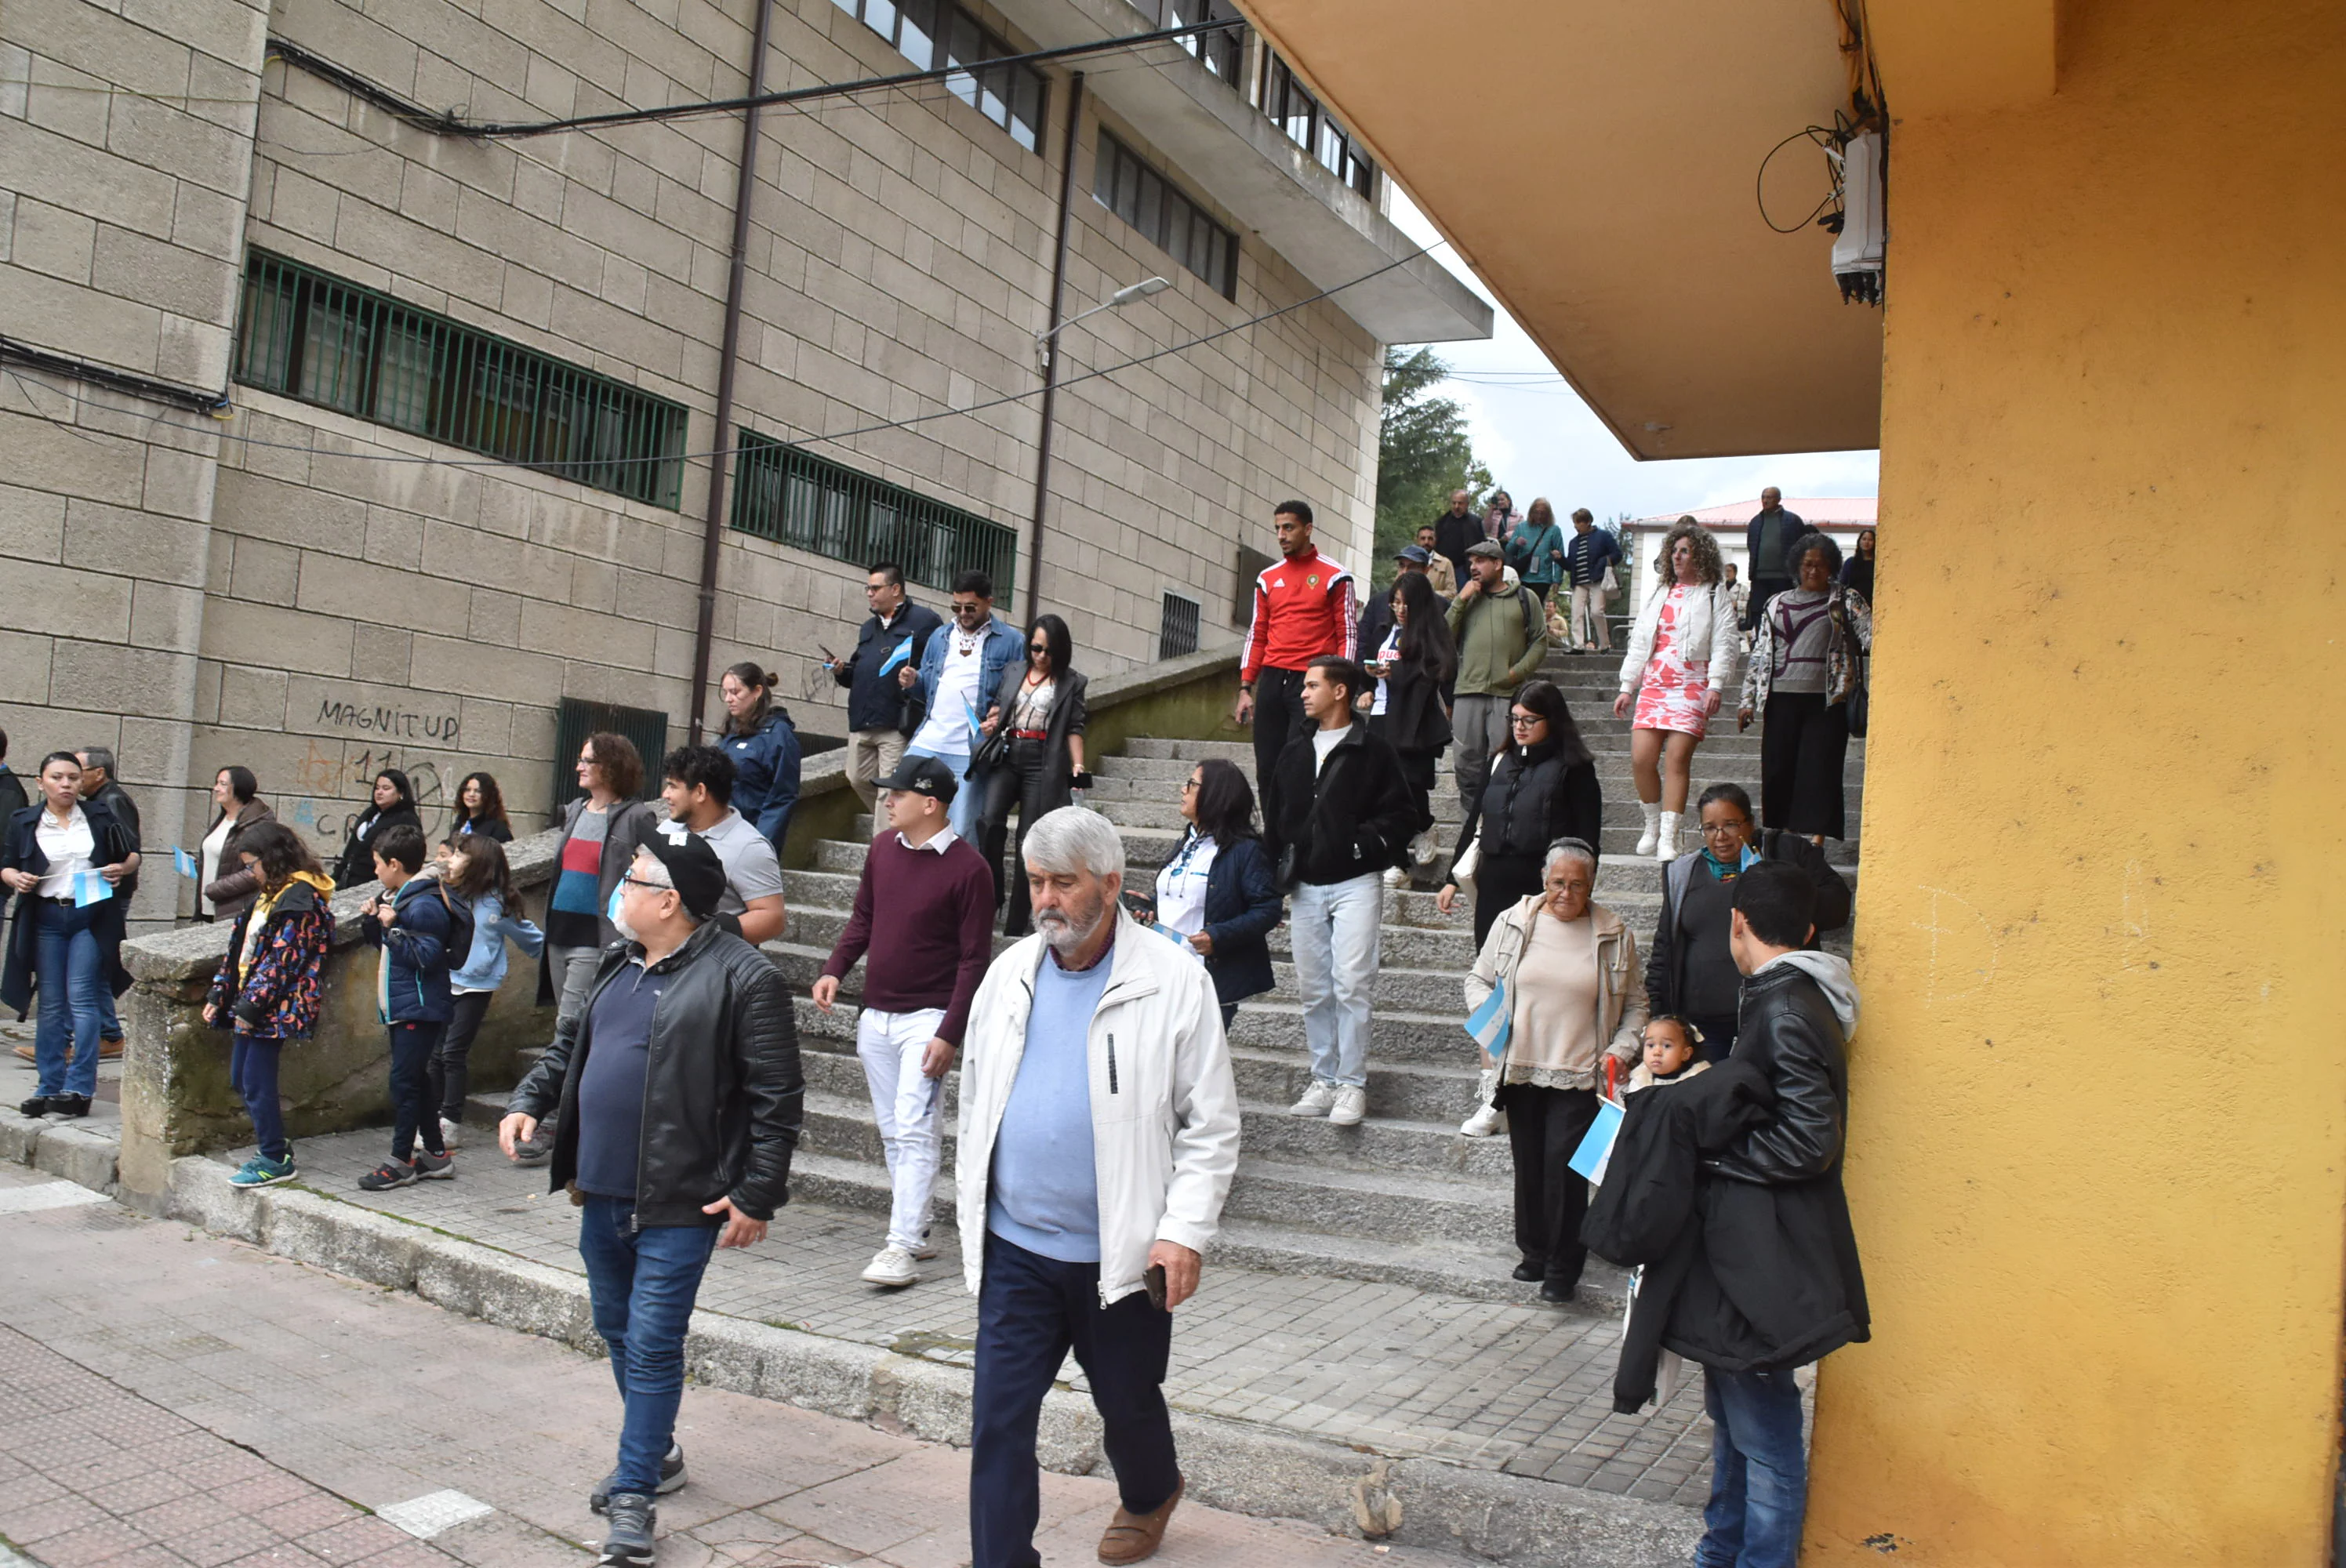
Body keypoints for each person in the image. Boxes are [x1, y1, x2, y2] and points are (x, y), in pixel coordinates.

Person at [499, 834, 802, 1568]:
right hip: (598, 1187)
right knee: (616, 1327)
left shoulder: (745, 978)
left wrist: (756, 1195)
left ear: (668, 901)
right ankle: (658, 1453)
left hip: (681, 1197)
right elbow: (567, 1047)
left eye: (631, 880)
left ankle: (634, 1494)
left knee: (655, 1341)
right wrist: (528, 1101)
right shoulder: (616, 962)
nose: (620, 891)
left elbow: (777, 1099)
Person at [954, 806, 1239, 1568]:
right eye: (1037, 880)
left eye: (1064, 883)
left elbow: (1212, 1126)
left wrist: (1182, 1229)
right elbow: (977, 1092)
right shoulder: (1006, 975)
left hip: (1122, 1256)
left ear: (1110, 885)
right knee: (998, 1420)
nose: (1045, 898)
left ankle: (1150, 1491)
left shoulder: (1174, 981)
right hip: (1016, 1246)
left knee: (1127, 1402)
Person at [1680, 861, 1867, 1568]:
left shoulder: (1787, 1006)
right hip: (1757, 1240)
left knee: (1764, 1432)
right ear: (1810, 928)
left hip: (1765, 1250)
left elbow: (1811, 1136)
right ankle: (1719, 1555)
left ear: (1737, 923)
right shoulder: (1783, 995)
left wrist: (1713, 1159)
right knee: (1735, 1419)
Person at [812, 756, 994, 1289]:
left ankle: (901, 1247)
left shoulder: (970, 870)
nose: (887, 801)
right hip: (877, 1015)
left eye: (897, 794)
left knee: (914, 1129)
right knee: (896, 1132)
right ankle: (917, 1228)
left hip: (928, 1016)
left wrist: (949, 1033)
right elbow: (863, 919)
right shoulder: (882, 851)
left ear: (930, 803)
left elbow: (973, 961)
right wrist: (833, 970)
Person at [1460, 837, 1645, 1302]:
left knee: (1565, 1168)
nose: (1566, 892)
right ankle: (1534, 1252)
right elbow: (1478, 979)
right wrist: (1491, 1018)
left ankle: (1564, 1266)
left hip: (1581, 1071)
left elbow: (1638, 1004)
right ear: (1544, 880)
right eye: (1558, 882)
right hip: (1520, 1067)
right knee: (1530, 1163)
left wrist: (1621, 1050)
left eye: (1577, 885)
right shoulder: (1513, 922)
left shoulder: (1613, 932)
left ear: (1592, 886)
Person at [1263, 656, 1414, 1127]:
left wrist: (1360, 845)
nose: (1303, 693)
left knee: (1352, 984)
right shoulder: (1293, 750)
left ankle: (1351, 1084)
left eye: (1312, 685)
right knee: (1313, 988)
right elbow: (1275, 816)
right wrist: (1278, 873)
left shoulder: (1373, 749)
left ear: (1341, 691)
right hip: (1306, 885)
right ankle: (1323, 1078)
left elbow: (1402, 814)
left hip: (1355, 882)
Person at [1647, 782, 1852, 1062]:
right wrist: (1659, 1015)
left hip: (1772, 1018)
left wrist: (1778, 886)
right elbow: (1664, 949)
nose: (1720, 837)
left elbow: (1838, 906)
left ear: (1751, 823)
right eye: (1710, 828)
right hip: (1702, 1030)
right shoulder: (1683, 873)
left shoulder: (1787, 852)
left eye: (1731, 825)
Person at [1, 752, 139, 1119]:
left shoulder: (99, 815)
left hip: (90, 915)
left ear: (83, 782)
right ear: (41, 781)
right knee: (50, 1003)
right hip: (46, 916)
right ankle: (48, 1086)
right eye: (58, 777)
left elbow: (132, 856)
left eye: (73, 779)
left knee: (82, 997)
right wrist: (15, 878)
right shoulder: (24, 821)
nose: (66, 785)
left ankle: (79, 1087)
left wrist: (119, 869)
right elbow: (7, 864)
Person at [202, 822, 335, 1189]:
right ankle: (277, 1147)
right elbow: (241, 949)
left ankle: (274, 1157)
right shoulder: (273, 893)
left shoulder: (299, 900)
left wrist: (249, 1008)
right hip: (255, 1002)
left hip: (273, 1007)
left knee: (256, 1083)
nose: (250, 873)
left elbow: (281, 964)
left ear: (271, 859)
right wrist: (220, 993)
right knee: (241, 1079)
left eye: (252, 865)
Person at [1437, 679, 1603, 946]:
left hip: (1544, 882)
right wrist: (1451, 882)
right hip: (1494, 879)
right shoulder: (1498, 761)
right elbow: (1475, 822)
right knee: (1492, 965)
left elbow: (1588, 839)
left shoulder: (1575, 767)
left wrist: (1579, 891)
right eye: (1514, 719)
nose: (1519, 727)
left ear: (1552, 720)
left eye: (1529, 720)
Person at [1614, 519, 1741, 862]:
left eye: (1685, 551)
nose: (1678, 557)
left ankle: (1669, 836)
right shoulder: (1659, 593)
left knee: (1676, 759)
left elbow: (1726, 643)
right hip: (1655, 683)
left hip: (1692, 684)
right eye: (1674, 550)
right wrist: (1628, 686)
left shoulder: (1715, 593)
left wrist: (1716, 684)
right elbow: (1641, 642)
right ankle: (1652, 825)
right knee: (1641, 759)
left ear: (1700, 555)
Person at [1740, 532, 1874, 844]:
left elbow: (1872, 637)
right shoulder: (1776, 603)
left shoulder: (1845, 599)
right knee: (1778, 768)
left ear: (1832, 568)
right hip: (1780, 697)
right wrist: (1747, 700)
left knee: (1820, 770)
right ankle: (1783, 837)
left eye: (1820, 565)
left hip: (1828, 701)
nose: (1812, 571)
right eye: (1806, 564)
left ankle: (1816, 841)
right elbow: (1760, 655)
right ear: (1796, 567)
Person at [356, 824, 466, 1192]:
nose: (374, 871)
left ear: (394, 863)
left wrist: (392, 928)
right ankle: (435, 1156)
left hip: (419, 1008)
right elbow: (388, 947)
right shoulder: (402, 896)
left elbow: (426, 957)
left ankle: (401, 1161)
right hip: (405, 1006)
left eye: (377, 864)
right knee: (415, 1082)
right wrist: (374, 922)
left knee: (403, 1084)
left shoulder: (423, 903)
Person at [1138, 759, 1281, 1029]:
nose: (1183, 790)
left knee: (1193, 1068)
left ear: (1216, 795)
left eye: (1192, 784)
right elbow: (1185, 900)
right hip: (1162, 971)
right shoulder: (1186, 843)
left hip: (1205, 978)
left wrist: (1219, 936)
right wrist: (1151, 906)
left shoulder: (1245, 850)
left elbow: (1268, 909)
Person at [539, 735, 659, 1042]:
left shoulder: (636, 816)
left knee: (569, 1024)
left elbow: (650, 875)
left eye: (587, 760)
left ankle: (564, 1089)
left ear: (609, 766)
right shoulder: (575, 810)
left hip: (596, 936)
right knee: (572, 1023)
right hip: (558, 932)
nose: (578, 767)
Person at [976, 615, 1091, 936]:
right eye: (1036, 648)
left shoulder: (1072, 682)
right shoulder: (1015, 670)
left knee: (1028, 840)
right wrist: (991, 722)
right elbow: (1000, 708)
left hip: (1043, 761)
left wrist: (1078, 767)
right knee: (988, 821)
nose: (1040, 656)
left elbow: (1074, 727)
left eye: (1048, 651)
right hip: (1008, 752)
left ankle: (1016, 925)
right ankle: (993, 894)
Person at [1236, 499, 1357, 801]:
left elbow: (1348, 633)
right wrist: (1245, 686)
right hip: (1272, 679)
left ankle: (1296, 842)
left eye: (1288, 527)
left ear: (1308, 529)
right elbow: (1257, 633)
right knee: (1267, 768)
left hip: (1313, 680)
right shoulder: (1267, 578)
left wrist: (1343, 685)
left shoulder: (1335, 575)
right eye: (1277, 528)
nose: (1281, 535)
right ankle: (1273, 842)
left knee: (1298, 765)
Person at [431, 833, 543, 1152]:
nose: (451, 860)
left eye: (459, 855)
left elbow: (529, 936)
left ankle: (449, 1123)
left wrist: (552, 957)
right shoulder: (448, 893)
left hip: (476, 986)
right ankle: (432, 1116)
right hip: (445, 980)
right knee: (435, 1055)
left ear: (478, 863)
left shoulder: (497, 903)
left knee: (453, 1053)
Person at [903, 570, 1025, 841]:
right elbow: (928, 686)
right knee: (905, 807)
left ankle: (955, 882)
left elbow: (1021, 692)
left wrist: (1001, 714)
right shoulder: (940, 636)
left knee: (962, 830)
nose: (963, 613)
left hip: (971, 747)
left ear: (989, 602)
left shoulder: (1012, 641)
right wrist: (914, 681)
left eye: (970, 607)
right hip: (930, 738)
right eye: (956, 607)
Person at [1446, 539, 1550, 816]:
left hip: (1507, 695)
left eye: (1480, 561)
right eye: (1471, 562)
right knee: (1465, 762)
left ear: (1498, 563)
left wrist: (1516, 673)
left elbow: (1540, 641)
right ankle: (1473, 819)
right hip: (1468, 691)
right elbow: (1443, 638)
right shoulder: (1468, 599)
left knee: (1505, 760)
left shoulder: (1525, 598)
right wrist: (1460, 600)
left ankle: (1503, 817)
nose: (1473, 567)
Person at [830, 561, 942, 812]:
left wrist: (917, 677)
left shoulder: (925, 621)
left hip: (897, 721)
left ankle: (884, 845)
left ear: (895, 589)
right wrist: (841, 671)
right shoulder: (868, 628)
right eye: (867, 588)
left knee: (888, 790)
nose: (869, 593)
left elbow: (938, 665)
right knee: (857, 778)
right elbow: (858, 671)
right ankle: (899, 824)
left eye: (875, 588)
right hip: (862, 720)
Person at [1367, 571, 1457, 884]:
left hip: (1413, 722)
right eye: (1396, 602)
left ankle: (1420, 831)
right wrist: (1368, 682)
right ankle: (1399, 855)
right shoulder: (1386, 631)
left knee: (1408, 785)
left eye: (1406, 603)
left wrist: (1396, 673)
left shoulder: (1431, 633)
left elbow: (1439, 670)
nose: (1400, 609)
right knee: (1384, 790)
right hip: (1380, 714)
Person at [656, 746, 786, 946]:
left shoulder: (750, 847)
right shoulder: (667, 828)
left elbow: (772, 919)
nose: (665, 794)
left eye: (673, 786)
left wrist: (701, 938)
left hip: (706, 969)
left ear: (700, 792)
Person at [76, 746, 141, 1055]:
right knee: (95, 963)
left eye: (78, 771)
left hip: (108, 894)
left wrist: (118, 870)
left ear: (98, 773)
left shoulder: (112, 800)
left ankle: (110, 1034)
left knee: (97, 962)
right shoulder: (97, 800)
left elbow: (127, 850)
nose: (73, 779)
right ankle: (109, 1033)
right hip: (99, 891)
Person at [716, 662, 801, 858]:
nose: (729, 699)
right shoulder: (730, 732)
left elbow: (783, 796)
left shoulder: (779, 735)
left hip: (751, 838)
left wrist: (761, 844)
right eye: (725, 693)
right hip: (722, 835)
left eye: (735, 692)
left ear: (757, 692)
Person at [196, 767, 275, 922]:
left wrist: (216, 889)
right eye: (217, 783)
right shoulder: (223, 818)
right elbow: (225, 858)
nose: (216, 788)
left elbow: (259, 870)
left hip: (237, 908)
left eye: (223, 784)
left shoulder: (257, 824)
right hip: (212, 906)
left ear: (239, 788)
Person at [332, 768, 422, 890]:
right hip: (350, 879)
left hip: (375, 883)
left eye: (386, 789)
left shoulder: (406, 819)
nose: (379, 792)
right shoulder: (370, 813)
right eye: (377, 788)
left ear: (400, 793)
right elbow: (351, 848)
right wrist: (336, 876)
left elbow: (408, 856)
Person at [1742, 487, 1807, 631]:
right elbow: (1751, 546)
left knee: (1782, 613)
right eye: (1763, 497)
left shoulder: (1792, 521)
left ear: (1778, 499)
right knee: (1758, 611)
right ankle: (1761, 643)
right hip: (1759, 577)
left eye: (1769, 497)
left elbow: (1801, 546)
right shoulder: (1756, 522)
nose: (1765, 500)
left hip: (1784, 578)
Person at [1563, 508, 1625, 654]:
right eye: (1575, 523)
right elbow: (1570, 564)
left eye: (1579, 523)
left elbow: (1617, 554)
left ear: (1588, 522)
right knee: (1576, 613)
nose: (1576, 526)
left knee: (1596, 612)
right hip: (1579, 582)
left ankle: (1604, 645)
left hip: (1597, 580)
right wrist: (1559, 559)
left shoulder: (1603, 536)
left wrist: (1604, 562)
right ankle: (1578, 645)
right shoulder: (1573, 543)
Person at [1505, 497, 1568, 605]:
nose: (1539, 516)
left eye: (1543, 513)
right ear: (1531, 512)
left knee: (1535, 606)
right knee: (1522, 606)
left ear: (1548, 514)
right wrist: (1516, 542)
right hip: (1523, 575)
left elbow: (1559, 557)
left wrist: (1557, 580)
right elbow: (1509, 551)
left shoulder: (1554, 530)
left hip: (1543, 578)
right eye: (1537, 512)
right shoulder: (1521, 527)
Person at [1625, 1015, 1708, 1094]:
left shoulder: (1698, 1084)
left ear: (1685, 1054)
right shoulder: (1639, 1080)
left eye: (1667, 1046)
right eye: (1651, 1045)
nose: (1656, 1052)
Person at [445, 771, 514, 843]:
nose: (471, 794)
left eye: (478, 791)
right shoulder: (460, 822)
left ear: (488, 795)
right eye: (468, 790)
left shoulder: (498, 828)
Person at [1431, 489, 1479, 585]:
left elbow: (1481, 546)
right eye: (1454, 503)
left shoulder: (1475, 523)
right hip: (1443, 568)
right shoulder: (1442, 522)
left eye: (1460, 503)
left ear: (1467, 504)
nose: (1456, 507)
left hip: (1464, 569)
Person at [1414, 524, 1458, 597]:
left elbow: (1452, 593)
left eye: (1430, 539)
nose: (1426, 542)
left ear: (1435, 540)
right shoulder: (1409, 561)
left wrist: (1430, 594)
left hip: (1436, 607)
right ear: (1417, 540)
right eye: (1423, 538)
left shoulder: (1446, 563)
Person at [1840, 526, 1876, 603]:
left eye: (1870, 540)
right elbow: (1843, 583)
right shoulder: (1850, 562)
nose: (1866, 542)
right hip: (1853, 602)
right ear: (1859, 541)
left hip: (1873, 602)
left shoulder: (1877, 564)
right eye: (1864, 539)